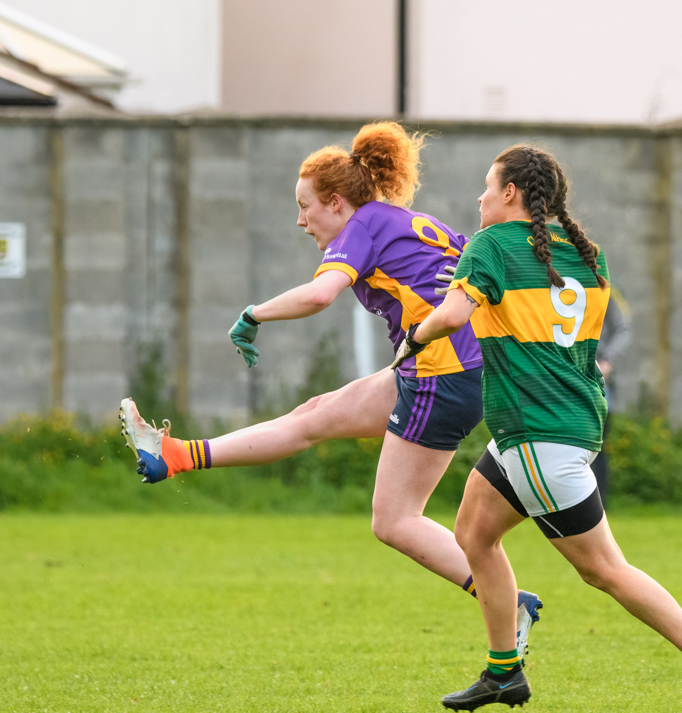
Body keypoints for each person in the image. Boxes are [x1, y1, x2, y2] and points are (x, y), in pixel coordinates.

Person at [118, 121, 541, 653]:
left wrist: (253, 313)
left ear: (338, 203)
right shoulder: (410, 221)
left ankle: (506, 600)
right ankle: (172, 455)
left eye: (306, 206)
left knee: (393, 520)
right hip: (448, 368)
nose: (300, 220)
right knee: (313, 417)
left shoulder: (362, 227)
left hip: (441, 375)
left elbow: (321, 295)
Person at [391, 145, 682, 710]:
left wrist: (413, 338)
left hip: (537, 435)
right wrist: (476, 285)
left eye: (486, 184)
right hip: (557, 427)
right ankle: (504, 673)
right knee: (473, 534)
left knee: (606, 571)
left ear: (510, 193)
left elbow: (451, 318)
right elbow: (539, 318)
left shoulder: (491, 246)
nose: (479, 196)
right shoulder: (584, 253)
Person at [592, 288, 630, 505]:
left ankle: (599, 504)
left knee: (597, 444)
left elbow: (623, 329)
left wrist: (607, 359)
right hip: (568, 375)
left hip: (599, 376)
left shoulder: (606, 289)